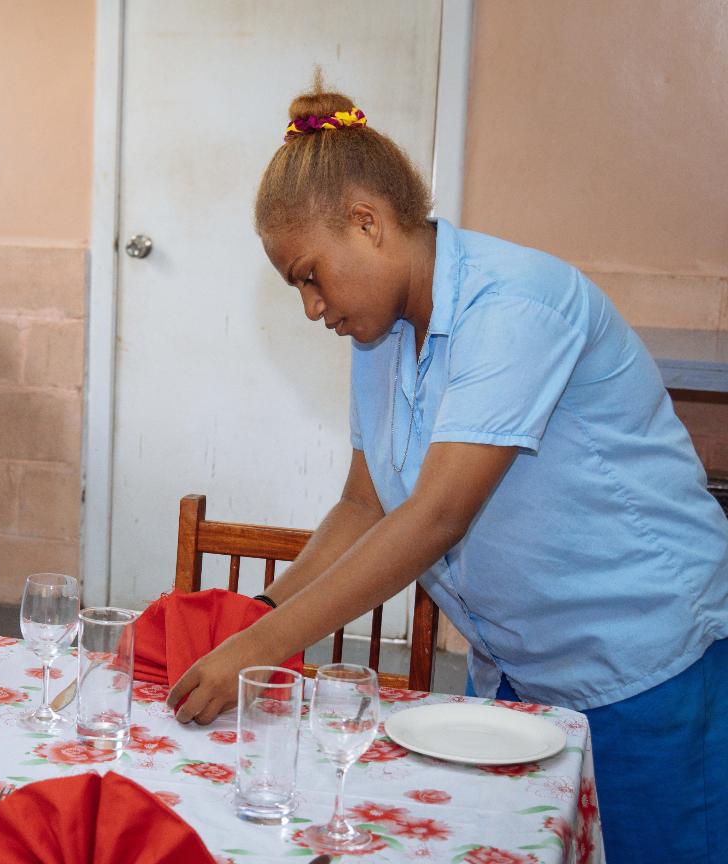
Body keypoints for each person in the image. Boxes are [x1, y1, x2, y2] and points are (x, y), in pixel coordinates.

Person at [165, 78, 728, 861]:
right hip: (518, 667)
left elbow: (433, 518)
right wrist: (259, 614)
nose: (310, 307)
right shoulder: (382, 337)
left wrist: (260, 650)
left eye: (309, 275)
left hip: (639, 664)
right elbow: (364, 506)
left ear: (368, 222)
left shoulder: (515, 305)